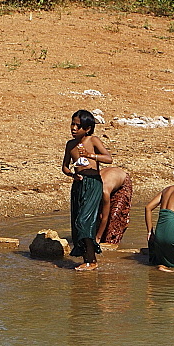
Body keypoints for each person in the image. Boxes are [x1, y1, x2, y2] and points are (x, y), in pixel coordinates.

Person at [61, 110, 113, 271]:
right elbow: (64, 166)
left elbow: (108, 159)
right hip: (79, 183)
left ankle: (92, 260)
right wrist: (71, 174)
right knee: (77, 221)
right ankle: (87, 258)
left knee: (85, 220)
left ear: (88, 128)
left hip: (93, 183)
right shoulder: (70, 145)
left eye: (78, 126)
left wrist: (91, 155)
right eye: (73, 124)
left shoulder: (93, 140)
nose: (74, 128)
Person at [96, 166, 133, 246]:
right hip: (110, 179)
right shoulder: (90, 189)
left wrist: (98, 238)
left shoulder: (104, 191)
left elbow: (104, 217)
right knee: (97, 217)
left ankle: (111, 243)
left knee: (114, 218)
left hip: (123, 184)